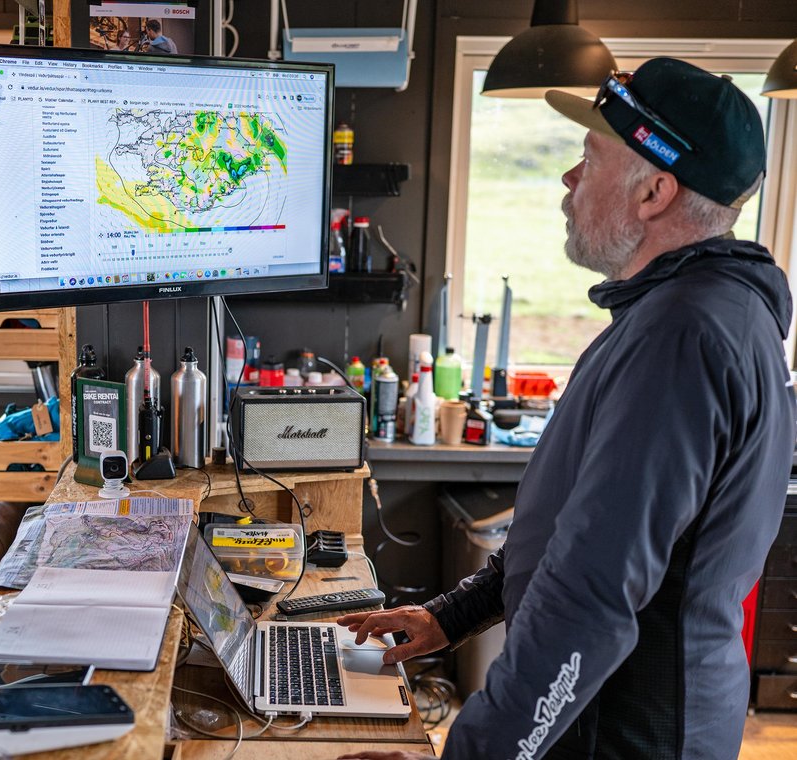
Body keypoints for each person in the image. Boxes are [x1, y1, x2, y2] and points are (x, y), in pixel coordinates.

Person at [339, 58, 795, 760]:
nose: (568, 179)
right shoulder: (680, 314)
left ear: (654, 192)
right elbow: (573, 534)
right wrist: (448, 616)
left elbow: (592, 596)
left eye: (589, 158)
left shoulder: (683, 338)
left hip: (625, 734)